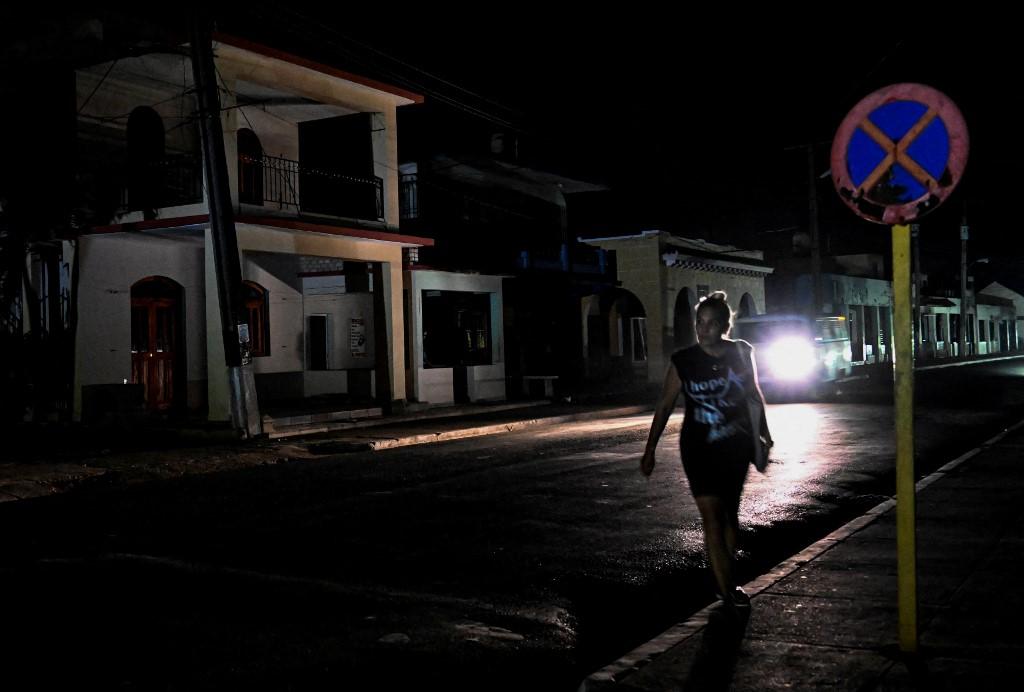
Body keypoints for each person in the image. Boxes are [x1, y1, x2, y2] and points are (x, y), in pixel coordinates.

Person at [640, 291, 773, 609]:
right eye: (700, 322)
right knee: (712, 516)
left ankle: (728, 576)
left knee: (730, 516)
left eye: (712, 323)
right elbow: (665, 405)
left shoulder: (741, 353)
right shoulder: (683, 361)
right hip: (698, 449)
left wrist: (764, 439)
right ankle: (727, 588)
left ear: (725, 326)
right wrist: (650, 449)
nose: (704, 329)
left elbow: (753, 397)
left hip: (735, 446)